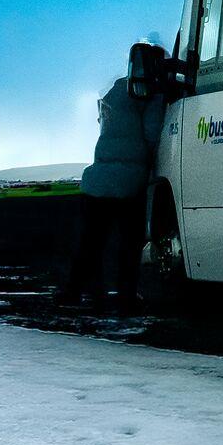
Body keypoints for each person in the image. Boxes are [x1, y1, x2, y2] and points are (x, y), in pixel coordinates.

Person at [59, 41, 169, 309]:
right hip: (128, 181)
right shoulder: (149, 92)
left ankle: (75, 292)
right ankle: (126, 296)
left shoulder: (115, 90)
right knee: (129, 244)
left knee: (90, 242)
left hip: (97, 178)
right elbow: (152, 133)